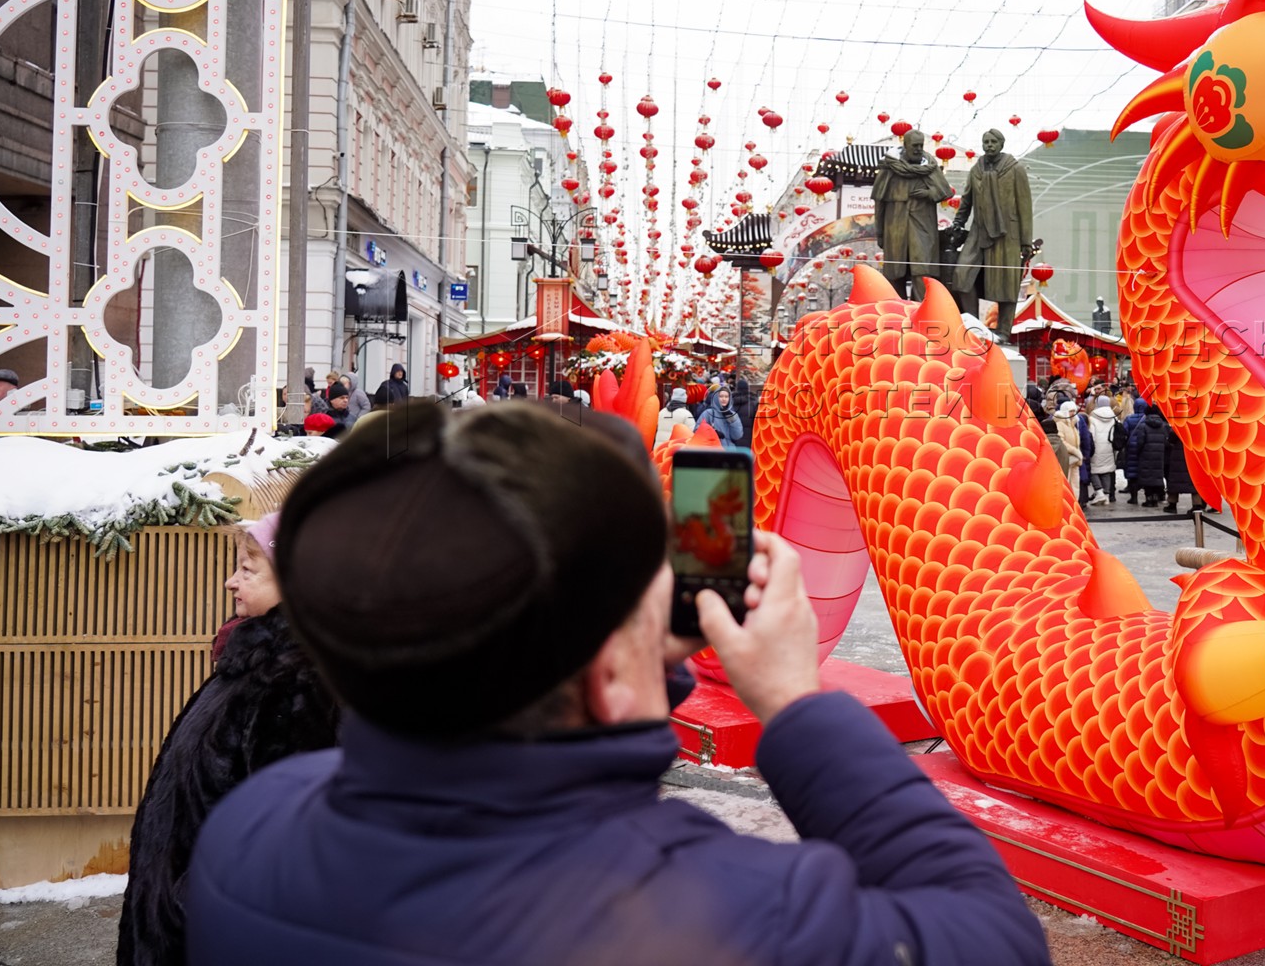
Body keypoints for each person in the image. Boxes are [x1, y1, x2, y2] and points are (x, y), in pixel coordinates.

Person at [184, 402, 1050, 966]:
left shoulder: (256, 825)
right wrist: (795, 702)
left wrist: (634, 649)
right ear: (604, 673)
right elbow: (995, 938)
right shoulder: (738, 915)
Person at [117, 514, 338, 966]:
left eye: (247, 569)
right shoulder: (252, 661)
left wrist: (191, 908)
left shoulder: (297, 679)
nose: (229, 582)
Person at [948, 129, 1034, 341]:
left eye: (993, 141)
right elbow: (966, 201)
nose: (989, 145)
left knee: (1006, 282)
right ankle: (974, 324)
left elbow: (1025, 207)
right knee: (962, 276)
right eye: (985, 141)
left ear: (1001, 144)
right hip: (978, 231)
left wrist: (1025, 241)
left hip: (1008, 233)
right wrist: (958, 223)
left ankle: (1004, 331)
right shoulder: (976, 169)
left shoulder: (1015, 170)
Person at [872, 127, 954, 300]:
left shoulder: (929, 166)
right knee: (895, 274)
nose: (918, 149)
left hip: (923, 226)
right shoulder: (889, 168)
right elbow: (880, 203)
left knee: (922, 271)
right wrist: (879, 232)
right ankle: (896, 314)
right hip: (895, 227)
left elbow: (945, 192)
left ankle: (921, 312)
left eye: (921, 145)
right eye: (914, 145)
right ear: (905, 145)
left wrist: (929, 194)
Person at [1129, 403, 1172, 508]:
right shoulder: (1163, 425)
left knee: (1146, 477)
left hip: (1146, 455)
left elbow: (1140, 441)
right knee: (1157, 477)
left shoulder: (1143, 426)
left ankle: (1148, 499)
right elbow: (1167, 442)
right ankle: (1156, 498)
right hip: (1159, 455)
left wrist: (1139, 451)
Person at [1088, 395, 1119, 504]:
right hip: (1109, 447)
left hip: (1097, 448)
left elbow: (1092, 435)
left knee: (1093, 470)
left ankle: (1099, 492)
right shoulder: (1114, 417)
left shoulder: (1092, 417)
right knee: (1107, 470)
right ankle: (1106, 495)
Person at [1120, 398, 1147, 505]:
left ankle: (1134, 497)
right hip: (1143, 449)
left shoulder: (1129, 419)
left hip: (1131, 449)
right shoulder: (1146, 419)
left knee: (1132, 473)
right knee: (1143, 472)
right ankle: (1148, 497)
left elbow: (1124, 432)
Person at [1054, 401, 1083, 497]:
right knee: (1066, 484)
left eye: (1074, 411)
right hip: (1066, 459)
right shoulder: (1060, 424)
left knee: (1074, 485)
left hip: (1074, 459)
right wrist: (1075, 451)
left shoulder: (1072, 423)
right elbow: (1061, 441)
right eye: (1071, 411)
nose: (1073, 413)